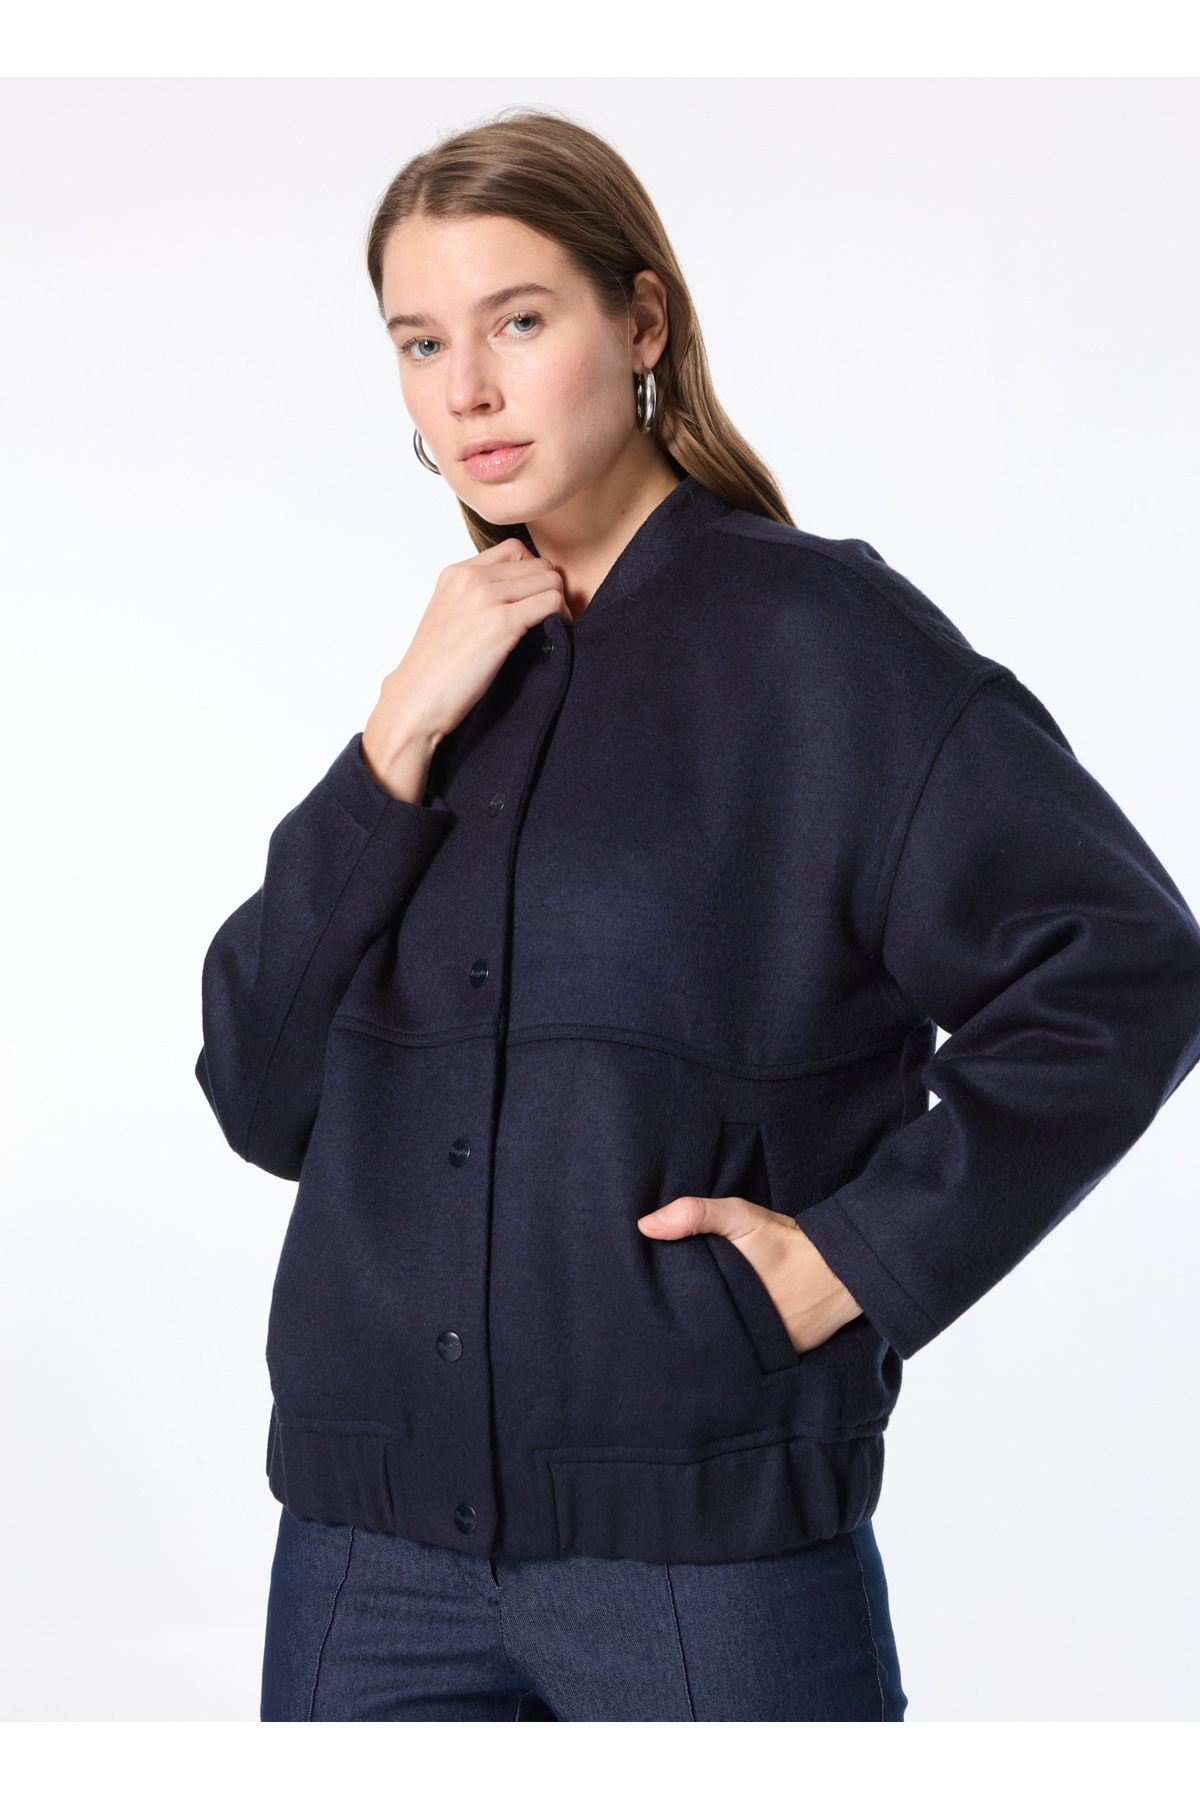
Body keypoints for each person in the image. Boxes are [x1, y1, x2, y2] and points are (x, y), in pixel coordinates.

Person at [196, 109, 1200, 1722]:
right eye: (421, 342)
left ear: (642, 324)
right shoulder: (448, 679)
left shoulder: (823, 641)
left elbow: (1122, 969)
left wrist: (852, 1259)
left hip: (706, 1570)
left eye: (520, 322)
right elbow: (259, 1094)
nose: (467, 390)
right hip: (361, 1565)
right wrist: (392, 737)